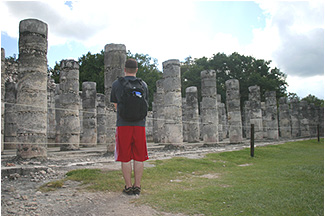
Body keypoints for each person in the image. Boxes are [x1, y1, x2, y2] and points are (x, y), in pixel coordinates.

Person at [110, 58, 149, 196]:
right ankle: (137, 186)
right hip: (139, 125)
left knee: (125, 157)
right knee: (139, 157)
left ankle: (128, 186)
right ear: (136, 70)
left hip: (123, 124)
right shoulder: (143, 84)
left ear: (124, 69)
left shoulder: (117, 84)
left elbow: (115, 105)